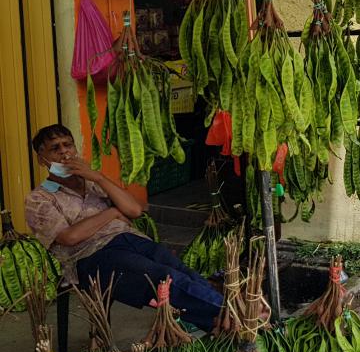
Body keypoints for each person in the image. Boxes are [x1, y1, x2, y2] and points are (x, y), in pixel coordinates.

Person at [25, 124, 222, 331]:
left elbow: (135, 210)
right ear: (41, 158)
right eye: (55, 148)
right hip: (92, 256)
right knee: (162, 275)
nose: (65, 152)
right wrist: (113, 213)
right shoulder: (39, 199)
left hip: (131, 240)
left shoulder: (94, 182)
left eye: (68, 145)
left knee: (182, 271)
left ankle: (224, 318)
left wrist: (98, 177)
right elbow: (69, 237)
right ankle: (227, 313)